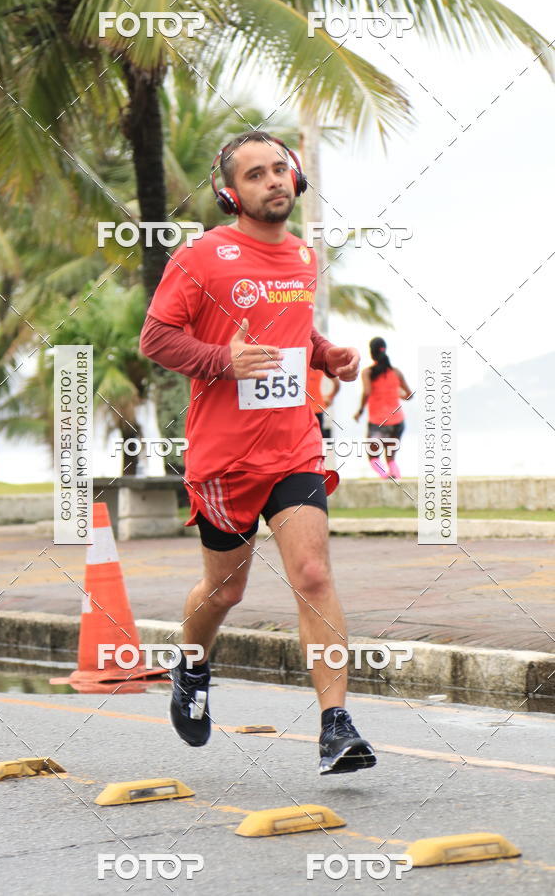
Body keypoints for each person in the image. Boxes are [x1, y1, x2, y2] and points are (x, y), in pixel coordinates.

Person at [140, 131, 376, 775]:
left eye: (280, 170)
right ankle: (190, 667)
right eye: (255, 175)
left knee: (314, 575)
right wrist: (223, 360)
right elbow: (156, 338)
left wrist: (327, 355)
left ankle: (336, 726)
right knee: (224, 592)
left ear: (295, 179)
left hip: (294, 446)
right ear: (229, 193)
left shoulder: (302, 256)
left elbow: (293, 325)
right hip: (225, 461)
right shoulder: (201, 259)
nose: (273, 181)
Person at [354, 337, 412, 479]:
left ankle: (384, 476)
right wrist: (398, 394)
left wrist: (360, 411)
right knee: (391, 457)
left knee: (373, 457)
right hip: (397, 422)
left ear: (371, 353)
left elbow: (367, 392)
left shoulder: (368, 372)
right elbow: (409, 395)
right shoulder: (396, 372)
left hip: (378, 422)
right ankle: (396, 478)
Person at [306, 367, 340, 439]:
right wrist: (330, 397)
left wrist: (330, 397)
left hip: (314, 409)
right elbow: (337, 383)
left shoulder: (317, 367)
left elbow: (337, 383)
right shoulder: (320, 367)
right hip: (314, 409)